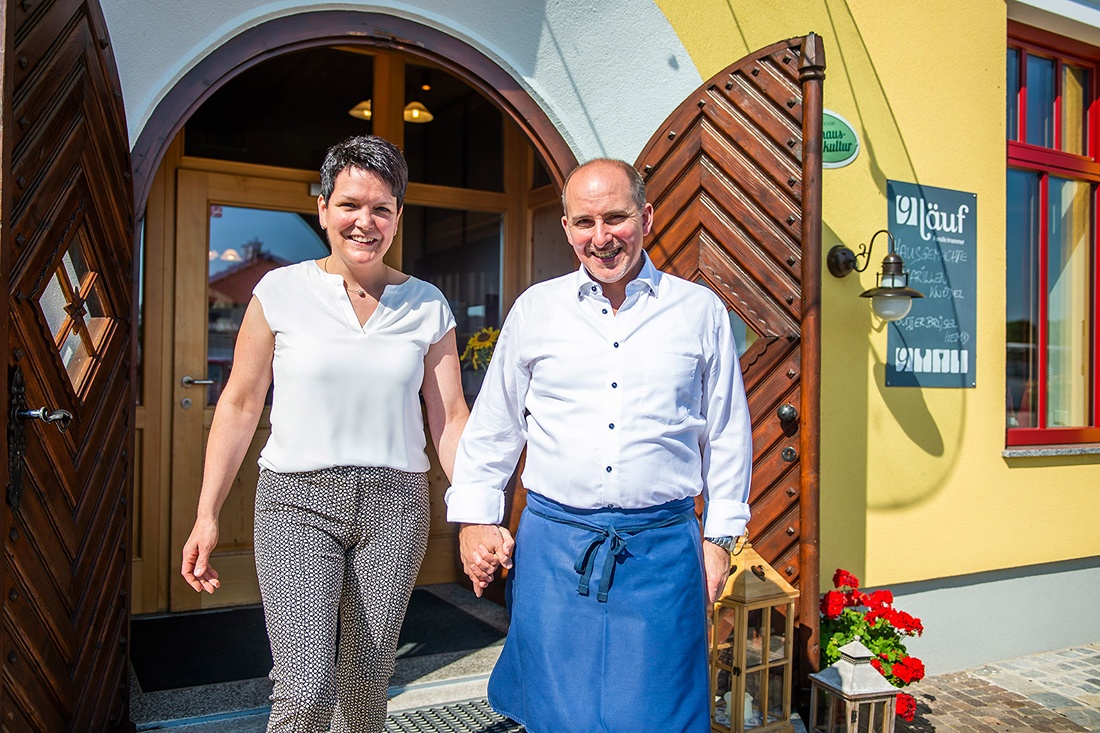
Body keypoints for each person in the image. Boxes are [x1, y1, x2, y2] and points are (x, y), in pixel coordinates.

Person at [445, 158, 753, 732]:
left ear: (648, 217)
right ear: (566, 227)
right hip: (554, 549)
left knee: (659, 715)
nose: (601, 237)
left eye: (617, 218)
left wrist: (721, 540)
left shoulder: (700, 311)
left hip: (662, 551)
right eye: (584, 221)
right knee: (557, 713)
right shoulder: (536, 308)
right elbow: (496, 425)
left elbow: (728, 432)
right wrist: (475, 520)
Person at [180, 135, 469, 733]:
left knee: (365, 688)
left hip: (397, 503)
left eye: (382, 208)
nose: (365, 222)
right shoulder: (280, 292)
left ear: (397, 217)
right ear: (323, 209)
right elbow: (237, 403)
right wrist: (207, 514)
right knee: (306, 686)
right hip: (297, 502)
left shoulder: (426, 304)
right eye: (350, 205)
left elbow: (449, 418)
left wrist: (476, 513)